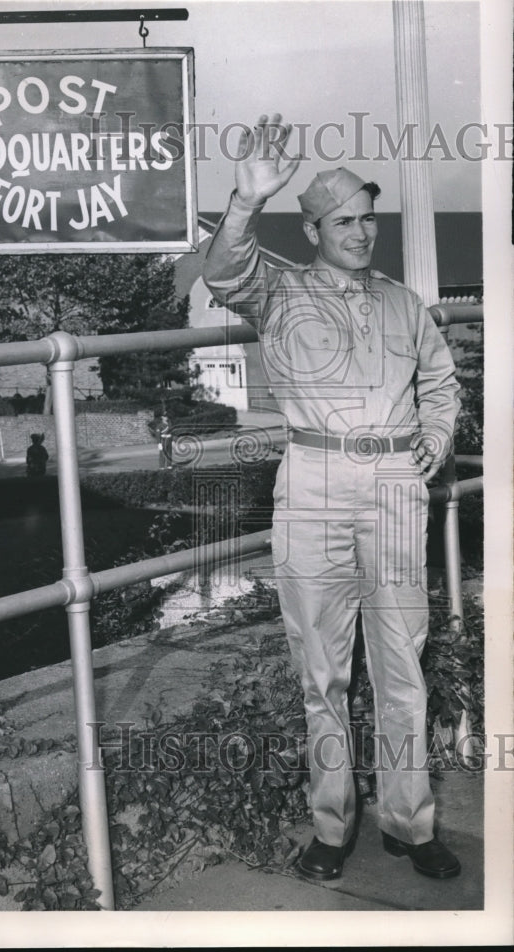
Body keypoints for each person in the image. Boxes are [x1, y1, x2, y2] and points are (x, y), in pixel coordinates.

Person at [203, 114, 461, 882]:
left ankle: (410, 827)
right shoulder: (276, 292)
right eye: (343, 221)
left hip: (392, 486)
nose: (360, 232)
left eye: (368, 219)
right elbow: (221, 275)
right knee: (322, 670)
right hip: (312, 482)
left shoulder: (402, 303)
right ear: (312, 228)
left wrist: (433, 442)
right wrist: (246, 201)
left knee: (400, 665)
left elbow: (441, 383)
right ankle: (329, 826)